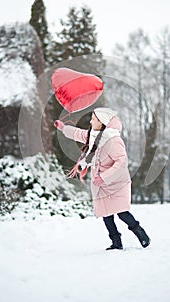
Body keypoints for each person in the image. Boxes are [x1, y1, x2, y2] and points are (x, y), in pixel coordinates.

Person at [54, 107, 150, 250]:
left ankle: (140, 233)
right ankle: (116, 242)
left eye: (94, 118)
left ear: (102, 121)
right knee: (106, 214)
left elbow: (122, 162)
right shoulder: (93, 136)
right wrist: (63, 128)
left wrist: (104, 177)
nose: (91, 121)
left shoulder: (114, 140)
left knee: (122, 212)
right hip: (100, 183)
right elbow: (78, 133)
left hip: (116, 183)